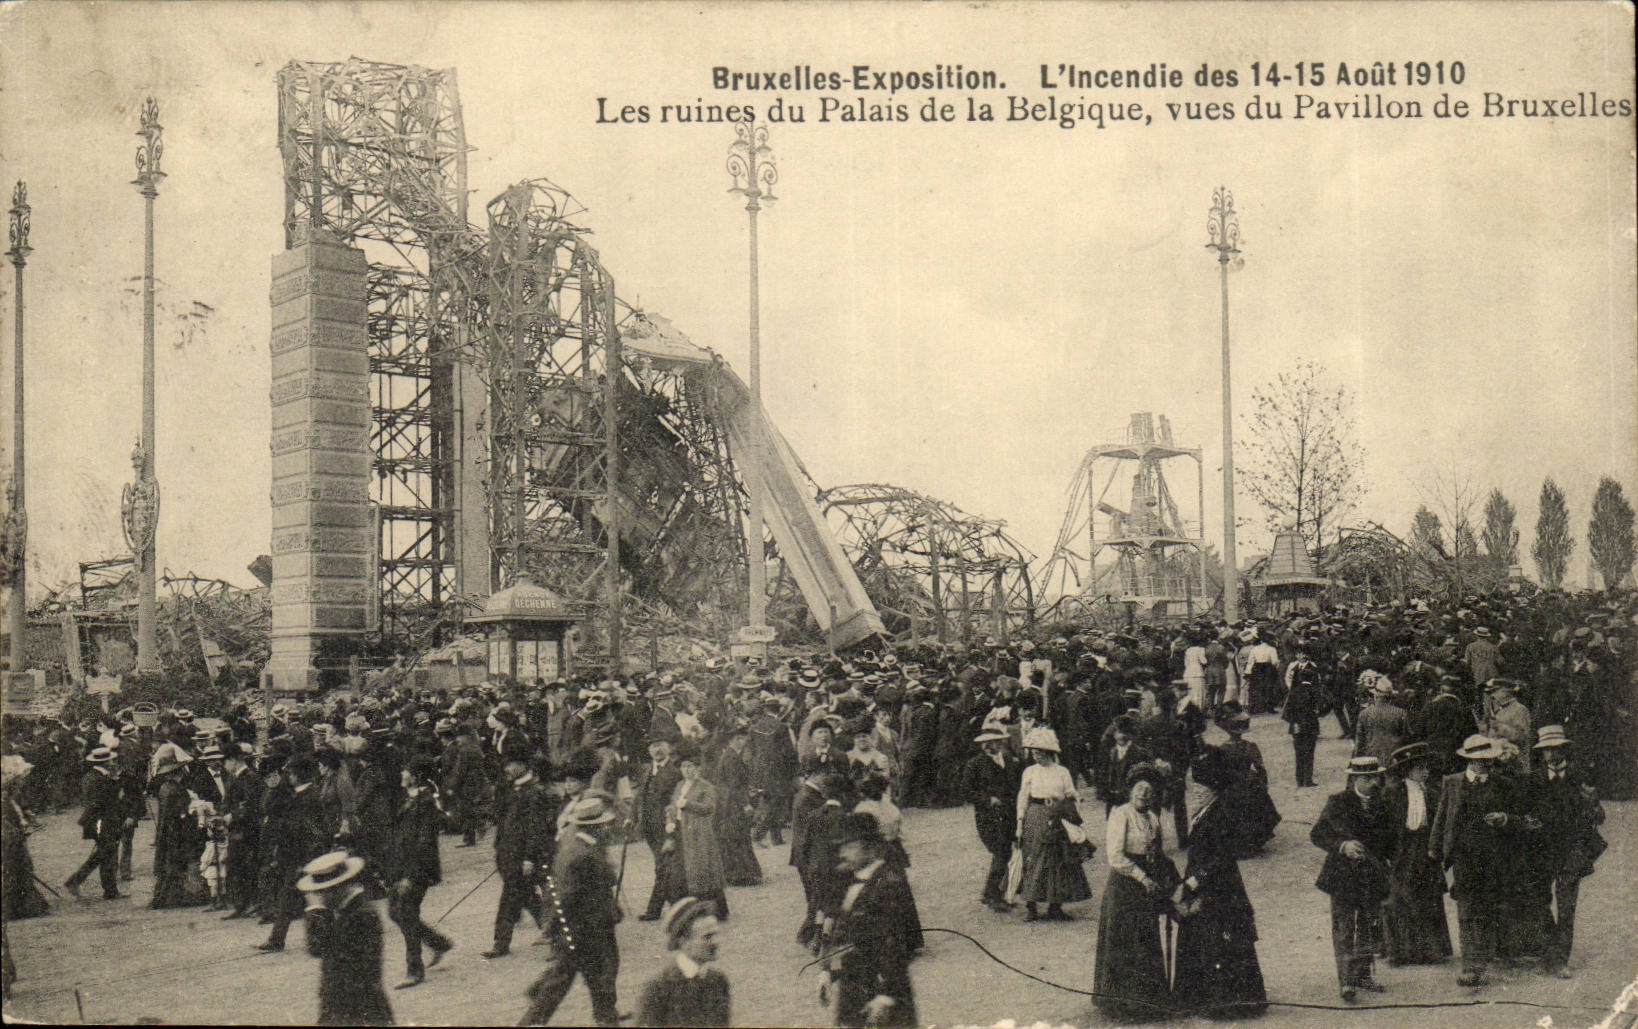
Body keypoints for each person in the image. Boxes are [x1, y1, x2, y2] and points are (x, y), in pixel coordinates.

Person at [1171, 747, 1267, 1018]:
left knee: (1218, 938)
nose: (1196, 792)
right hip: (1211, 885)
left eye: (1203, 788)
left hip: (1219, 889)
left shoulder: (1219, 815)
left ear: (1214, 789)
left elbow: (1220, 858)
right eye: (1195, 788)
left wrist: (1190, 884)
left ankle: (1223, 1001)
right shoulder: (1205, 812)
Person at [1428, 734, 1528, 987]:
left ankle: (1487, 955)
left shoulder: (1503, 784)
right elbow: (1442, 818)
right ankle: (1470, 965)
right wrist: (1434, 850)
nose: (1483, 764)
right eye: (1478, 760)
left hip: (1494, 856)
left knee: (1490, 906)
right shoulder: (1452, 783)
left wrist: (1504, 818)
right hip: (1463, 857)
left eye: (1487, 760)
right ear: (1468, 760)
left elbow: (1520, 817)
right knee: (1466, 909)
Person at [521, 794, 622, 1027]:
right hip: (584, 927)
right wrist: (560, 931)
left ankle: (606, 1017)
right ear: (596, 827)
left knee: (592, 976)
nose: (608, 828)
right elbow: (567, 894)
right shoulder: (583, 855)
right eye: (604, 824)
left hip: (586, 925)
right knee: (576, 978)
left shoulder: (576, 842)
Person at [1094, 761, 1178, 1021]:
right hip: (1125, 885)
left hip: (1146, 887)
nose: (1143, 793)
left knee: (1145, 939)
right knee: (1125, 940)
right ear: (1130, 790)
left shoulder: (1153, 818)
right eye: (1139, 789)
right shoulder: (1121, 814)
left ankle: (1148, 1000)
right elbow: (1116, 856)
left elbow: (1159, 854)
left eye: (1149, 790)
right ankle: (1122, 1003)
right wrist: (1143, 878)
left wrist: (1164, 880)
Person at [1521, 726, 1607, 979]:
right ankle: (1550, 952)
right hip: (1541, 851)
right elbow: (1525, 813)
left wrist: (1591, 801)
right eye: (1546, 750)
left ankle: (1560, 960)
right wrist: (1528, 821)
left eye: (1555, 749)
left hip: (1572, 850)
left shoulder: (1581, 777)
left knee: (1567, 906)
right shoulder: (1534, 779)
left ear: (1564, 750)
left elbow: (1599, 817)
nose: (1551, 754)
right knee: (1539, 902)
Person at [822, 812, 919, 1029]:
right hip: (853, 987)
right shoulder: (847, 879)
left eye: (850, 846)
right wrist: (827, 971)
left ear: (871, 847)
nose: (843, 853)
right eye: (841, 847)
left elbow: (895, 944)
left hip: (882, 993)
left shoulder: (888, 883)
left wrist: (886, 995)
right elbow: (839, 931)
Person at [1311, 756, 1395, 1002]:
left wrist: (1386, 859)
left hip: (1372, 875)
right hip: (1343, 876)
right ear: (1355, 779)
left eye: (1376, 777)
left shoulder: (1383, 803)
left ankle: (1363, 975)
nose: (1373, 783)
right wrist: (1342, 845)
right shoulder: (1338, 802)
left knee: (1369, 926)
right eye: (1367, 778)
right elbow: (1317, 834)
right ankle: (1346, 982)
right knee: (1344, 927)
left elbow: (1390, 838)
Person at [296, 850, 394, 1026]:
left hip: (355, 1006)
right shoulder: (346, 910)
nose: (319, 897)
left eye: (321, 892)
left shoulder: (361, 914)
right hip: (345, 1004)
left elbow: (317, 947)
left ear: (337, 888)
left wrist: (316, 910)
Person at [1380, 742, 1452, 967]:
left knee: (1428, 898)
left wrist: (1437, 848)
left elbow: (1439, 823)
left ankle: (1430, 949)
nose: (1425, 772)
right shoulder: (1393, 793)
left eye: (1426, 768)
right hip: (1402, 851)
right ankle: (1399, 952)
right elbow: (1385, 826)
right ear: (1408, 770)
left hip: (1425, 849)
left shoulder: (1432, 792)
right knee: (1399, 899)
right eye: (1420, 768)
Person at [385, 757, 453, 988]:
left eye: (406, 770)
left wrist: (410, 877)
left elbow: (424, 845)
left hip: (417, 869)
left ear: (415, 776)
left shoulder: (425, 804)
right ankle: (438, 943)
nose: (402, 773)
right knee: (395, 912)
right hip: (402, 866)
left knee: (405, 912)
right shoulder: (409, 799)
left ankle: (415, 970)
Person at [1012, 727, 1090, 921]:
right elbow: (1023, 796)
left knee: (1057, 861)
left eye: (1040, 752)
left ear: (1049, 752)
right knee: (1033, 858)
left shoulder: (1062, 772)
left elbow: (1071, 792)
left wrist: (1075, 799)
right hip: (1035, 816)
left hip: (1057, 816)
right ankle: (1031, 906)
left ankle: (1055, 905)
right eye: (1034, 752)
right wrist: (1020, 822)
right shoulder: (1029, 771)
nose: (1036, 756)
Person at [484, 755, 554, 959]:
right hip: (508, 853)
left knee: (510, 898)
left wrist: (529, 858)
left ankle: (500, 943)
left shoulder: (533, 793)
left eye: (511, 763)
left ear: (523, 765)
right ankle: (554, 932)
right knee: (526, 896)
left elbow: (535, 828)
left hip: (523, 856)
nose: (507, 767)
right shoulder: (510, 788)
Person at [635, 897, 731, 1028]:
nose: (716, 942)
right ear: (683, 942)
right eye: (707, 937)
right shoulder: (659, 987)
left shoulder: (718, 981)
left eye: (715, 935)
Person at [962, 727, 1023, 912]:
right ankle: (992, 894)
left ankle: (997, 891)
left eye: (996, 741)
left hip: (1009, 814)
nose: (991, 745)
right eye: (987, 742)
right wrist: (987, 799)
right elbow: (966, 790)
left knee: (1007, 852)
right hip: (988, 817)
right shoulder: (975, 765)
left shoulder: (1010, 760)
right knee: (1000, 851)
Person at [666, 744, 728, 920]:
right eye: (684, 767)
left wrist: (688, 804)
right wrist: (670, 821)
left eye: (691, 767)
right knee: (683, 870)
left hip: (698, 833)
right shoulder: (679, 785)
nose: (687, 770)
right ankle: (689, 907)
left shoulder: (705, 786)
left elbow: (709, 808)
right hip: (680, 831)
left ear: (698, 768)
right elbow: (672, 805)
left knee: (704, 870)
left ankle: (717, 910)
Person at [63, 746, 130, 902]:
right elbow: (102, 801)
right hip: (101, 821)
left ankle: (109, 890)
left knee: (105, 854)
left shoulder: (92, 776)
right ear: (106, 762)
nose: (114, 762)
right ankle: (78, 882)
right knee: (105, 854)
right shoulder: (98, 779)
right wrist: (116, 788)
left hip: (100, 820)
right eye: (111, 760)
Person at [634, 739, 685, 921]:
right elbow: (639, 797)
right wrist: (631, 818)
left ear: (669, 748)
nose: (658, 750)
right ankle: (676, 904)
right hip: (649, 827)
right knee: (664, 866)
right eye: (654, 746)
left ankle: (657, 909)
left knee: (663, 866)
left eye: (662, 745)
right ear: (649, 750)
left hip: (666, 826)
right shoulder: (647, 770)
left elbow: (676, 802)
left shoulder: (675, 773)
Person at [1280, 663, 1325, 788]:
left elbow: (1286, 713)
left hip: (1297, 727)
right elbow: (1324, 707)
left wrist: (1294, 722)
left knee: (1298, 753)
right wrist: (1317, 713)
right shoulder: (1315, 692)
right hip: (1311, 726)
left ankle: (1299, 780)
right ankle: (1308, 779)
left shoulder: (1294, 693)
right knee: (1309, 753)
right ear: (1312, 679)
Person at [1353, 677, 1408, 765]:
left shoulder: (1364, 714)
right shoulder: (1400, 713)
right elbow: (1405, 737)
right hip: (1394, 758)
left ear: (1375, 696)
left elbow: (1360, 742)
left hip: (1371, 759)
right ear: (1390, 698)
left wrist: (1356, 760)